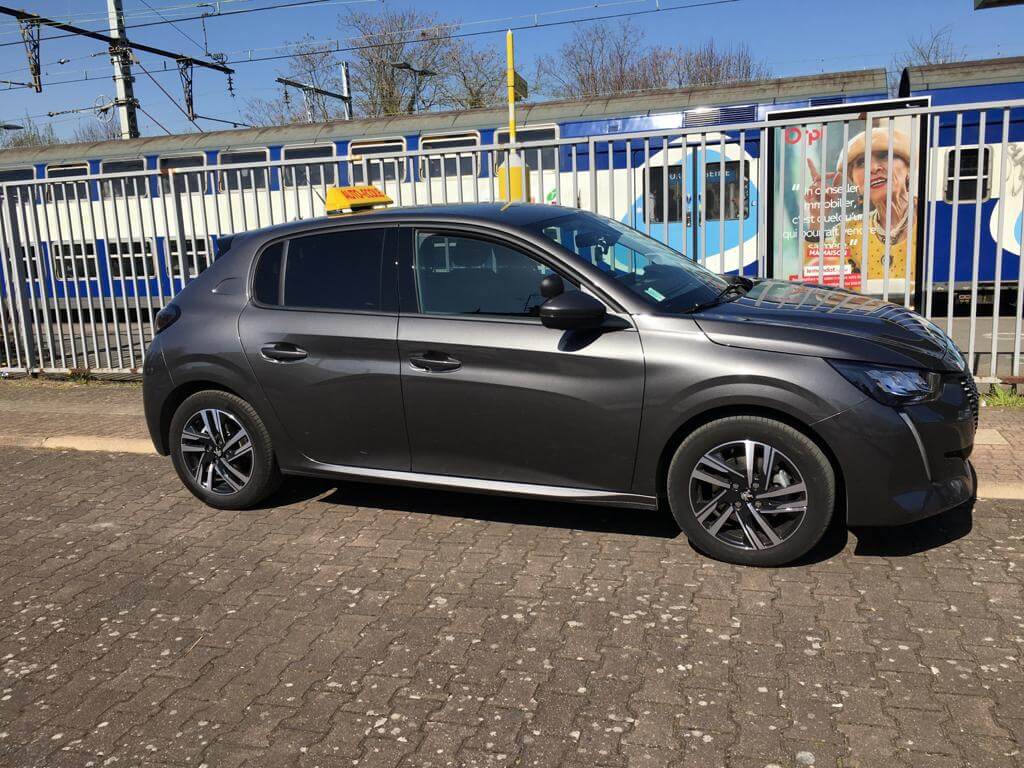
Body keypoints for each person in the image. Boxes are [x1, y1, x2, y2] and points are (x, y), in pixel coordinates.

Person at [803, 124, 915, 281]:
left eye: (884, 155)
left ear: (908, 166)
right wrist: (816, 219)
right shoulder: (845, 233)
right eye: (861, 163)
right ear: (854, 182)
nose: (873, 168)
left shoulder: (933, 219)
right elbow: (817, 281)